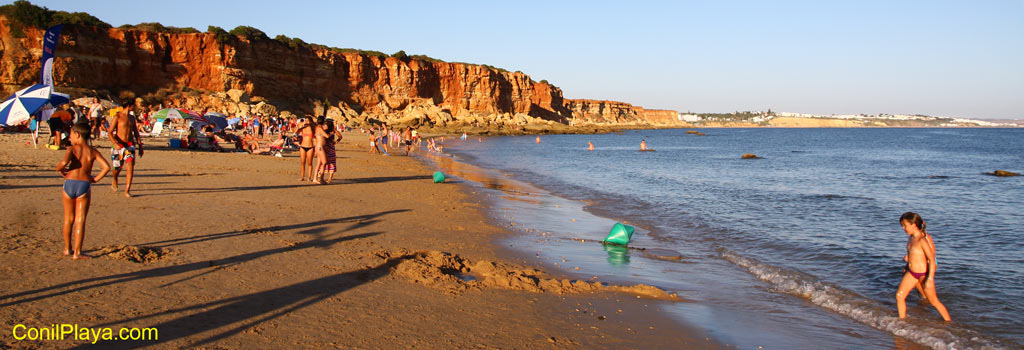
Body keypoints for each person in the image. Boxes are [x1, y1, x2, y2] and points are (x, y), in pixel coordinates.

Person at [56, 123, 111, 259]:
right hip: (84, 185)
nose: (70, 137)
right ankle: (77, 252)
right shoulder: (93, 151)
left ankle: (67, 249)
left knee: (68, 218)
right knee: (80, 220)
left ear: (78, 134)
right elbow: (106, 167)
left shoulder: (72, 149)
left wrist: (60, 170)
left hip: (69, 183)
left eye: (71, 134)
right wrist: (95, 179)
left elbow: (63, 163)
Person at [895, 212, 952, 322]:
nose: (903, 228)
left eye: (905, 225)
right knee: (899, 295)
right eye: (902, 226)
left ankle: (948, 322)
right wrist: (907, 266)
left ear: (914, 225)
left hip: (923, 274)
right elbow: (913, 255)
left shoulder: (922, 240)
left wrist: (930, 279)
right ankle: (901, 321)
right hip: (911, 273)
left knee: (933, 301)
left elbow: (932, 260)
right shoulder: (911, 238)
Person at [108, 103, 143, 198]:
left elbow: (136, 133)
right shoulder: (118, 116)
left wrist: (140, 145)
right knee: (117, 168)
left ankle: (127, 190)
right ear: (129, 106)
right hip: (119, 145)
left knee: (130, 165)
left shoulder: (132, 118)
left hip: (129, 145)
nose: (135, 107)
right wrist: (114, 143)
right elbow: (110, 132)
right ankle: (115, 179)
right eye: (134, 106)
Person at [296, 116, 316, 181]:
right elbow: (296, 131)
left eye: (308, 120)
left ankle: (309, 177)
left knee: (310, 163)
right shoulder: (303, 128)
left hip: (310, 146)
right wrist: (301, 125)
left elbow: (316, 136)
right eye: (305, 120)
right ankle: (302, 177)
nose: (306, 122)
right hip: (303, 146)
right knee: (302, 162)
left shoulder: (313, 127)